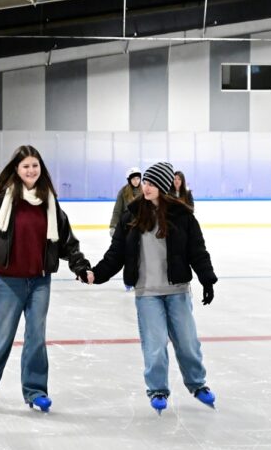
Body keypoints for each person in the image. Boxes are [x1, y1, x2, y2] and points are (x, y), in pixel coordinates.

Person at [0, 145, 92, 412]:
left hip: (40, 281)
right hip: (8, 281)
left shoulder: (49, 201)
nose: (31, 170)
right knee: (0, 337)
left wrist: (80, 266)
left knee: (36, 338)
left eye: (35, 165)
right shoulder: (4, 199)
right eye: (26, 166)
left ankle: (36, 391)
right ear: (16, 169)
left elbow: (66, 241)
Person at [90, 161, 218, 415]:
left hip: (177, 289)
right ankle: (158, 388)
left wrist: (207, 279)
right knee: (155, 344)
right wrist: (97, 274)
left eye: (151, 183)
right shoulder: (132, 214)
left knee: (188, 342)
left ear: (162, 185)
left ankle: (197, 384)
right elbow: (117, 254)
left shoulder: (182, 215)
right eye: (145, 182)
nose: (146, 188)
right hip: (147, 292)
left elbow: (197, 250)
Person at [110, 168, 141, 237]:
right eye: (133, 179)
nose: (136, 181)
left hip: (141, 226)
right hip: (127, 225)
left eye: (138, 178)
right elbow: (117, 210)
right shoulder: (123, 192)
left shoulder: (144, 191)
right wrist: (113, 226)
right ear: (129, 180)